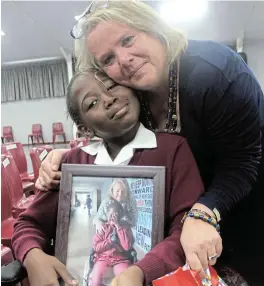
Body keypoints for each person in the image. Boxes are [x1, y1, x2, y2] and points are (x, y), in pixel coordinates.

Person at [36, 1, 264, 285]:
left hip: (254, 205)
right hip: (190, 216)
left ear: (153, 28)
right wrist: (64, 156)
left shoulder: (215, 71)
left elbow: (241, 163)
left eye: (128, 40)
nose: (124, 60)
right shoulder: (134, 89)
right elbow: (118, 134)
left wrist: (202, 214)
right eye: (108, 59)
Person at [12, 70, 206, 286]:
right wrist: (32, 254)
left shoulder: (172, 150)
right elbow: (29, 224)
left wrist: (141, 271)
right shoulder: (73, 163)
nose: (109, 99)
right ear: (86, 129)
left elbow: (187, 228)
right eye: (92, 103)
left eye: (112, 86)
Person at [90, 200, 134, 286]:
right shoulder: (103, 227)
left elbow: (127, 246)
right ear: (107, 215)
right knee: (95, 282)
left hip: (120, 259)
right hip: (103, 258)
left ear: (120, 215)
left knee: (125, 280)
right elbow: (96, 248)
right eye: (110, 215)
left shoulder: (125, 227)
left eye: (116, 214)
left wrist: (118, 226)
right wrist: (109, 241)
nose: (113, 217)